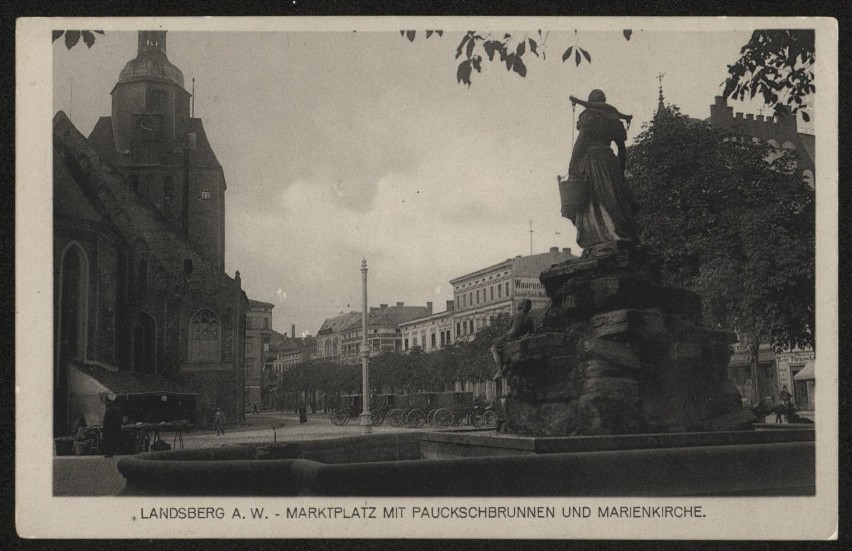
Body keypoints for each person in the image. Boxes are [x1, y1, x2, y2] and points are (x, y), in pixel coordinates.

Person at [564, 90, 640, 249]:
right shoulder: (613, 120)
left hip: (591, 161)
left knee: (592, 198)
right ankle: (618, 234)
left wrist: (572, 168)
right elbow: (622, 149)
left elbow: (579, 144)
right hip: (610, 161)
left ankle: (599, 237)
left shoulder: (590, 118)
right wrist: (620, 171)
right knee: (614, 197)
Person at [491, 298, 536, 380]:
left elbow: (510, 329)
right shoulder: (529, 318)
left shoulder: (515, 316)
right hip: (518, 338)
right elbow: (531, 332)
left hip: (510, 337)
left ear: (520, 306)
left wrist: (502, 338)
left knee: (494, 348)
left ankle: (499, 370)